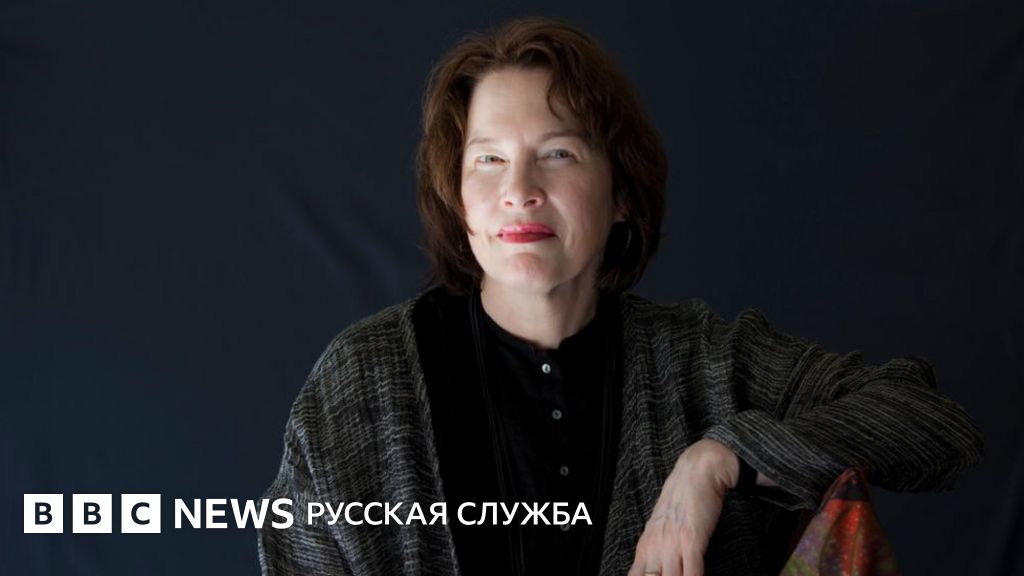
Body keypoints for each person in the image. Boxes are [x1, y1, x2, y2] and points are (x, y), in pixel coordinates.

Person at [257, 17, 983, 576]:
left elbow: (934, 425)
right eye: (489, 160)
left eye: (558, 153)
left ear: (622, 196)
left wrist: (720, 458)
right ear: (457, 200)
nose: (519, 190)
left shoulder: (706, 365)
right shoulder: (365, 381)